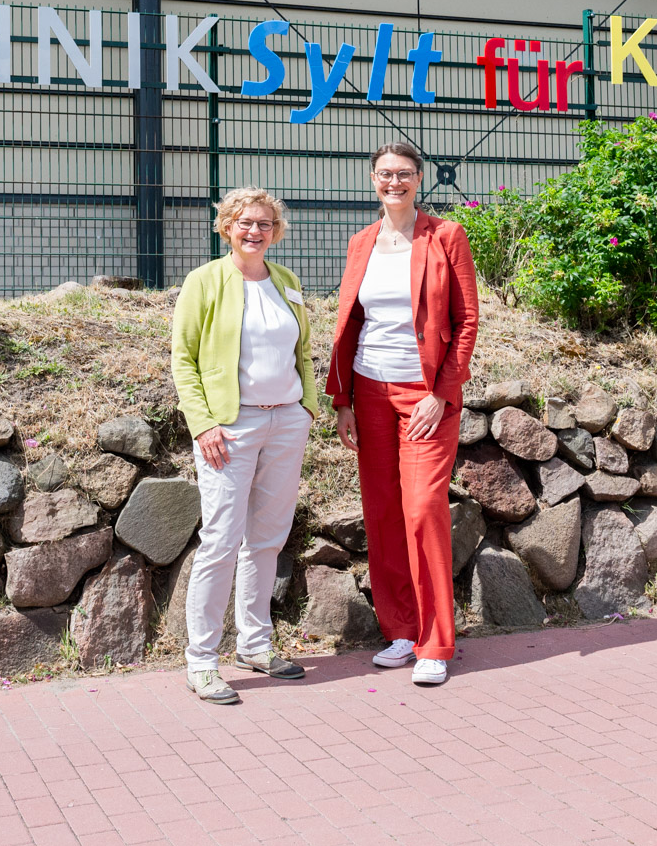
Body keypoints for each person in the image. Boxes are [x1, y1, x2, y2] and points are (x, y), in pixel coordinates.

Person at [326, 142, 480, 687]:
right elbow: (351, 322)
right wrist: (342, 399)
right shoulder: (361, 242)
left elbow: (466, 323)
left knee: (422, 509)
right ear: (372, 180)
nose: (394, 181)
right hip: (368, 391)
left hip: (425, 394)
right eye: (385, 173)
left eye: (405, 173)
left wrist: (441, 392)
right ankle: (400, 631)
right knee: (383, 512)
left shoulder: (445, 236)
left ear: (419, 178)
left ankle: (436, 643)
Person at [170, 187, 319, 705]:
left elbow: (301, 349)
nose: (254, 231)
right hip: (230, 428)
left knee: (267, 539)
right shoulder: (205, 281)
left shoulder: (286, 281)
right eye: (244, 222)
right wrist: (203, 424)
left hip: (286, 422)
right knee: (221, 541)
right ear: (226, 227)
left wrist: (307, 407)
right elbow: (183, 359)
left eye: (264, 223)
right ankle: (202, 662)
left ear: (275, 231)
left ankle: (255, 645)